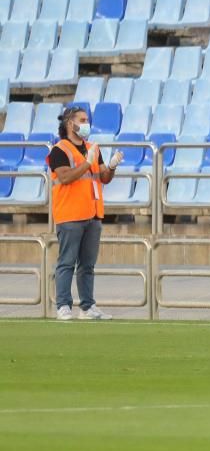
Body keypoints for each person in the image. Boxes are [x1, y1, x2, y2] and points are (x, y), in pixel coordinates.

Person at [49, 106, 123, 321]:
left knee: (87, 265)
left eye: (86, 120)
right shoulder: (59, 150)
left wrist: (111, 166)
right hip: (70, 214)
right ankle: (63, 305)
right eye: (82, 119)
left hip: (92, 213)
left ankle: (88, 306)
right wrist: (88, 163)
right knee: (66, 262)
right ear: (69, 123)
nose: (86, 123)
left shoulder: (92, 147)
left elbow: (103, 178)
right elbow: (65, 177)